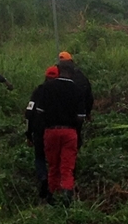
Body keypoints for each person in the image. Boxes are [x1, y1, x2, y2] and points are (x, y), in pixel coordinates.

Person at [30, 63, 88, 205]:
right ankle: (67, 194)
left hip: (51, 131)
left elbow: (39, 112)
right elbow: (81, 116)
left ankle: (52, 196)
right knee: (67, 166)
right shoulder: (77, 89)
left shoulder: (47, 88)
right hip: (69, 133)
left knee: (53, 165)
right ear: (72, 73)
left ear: (59, 71)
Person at [24, 66, 59, 202]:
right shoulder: (59, 93)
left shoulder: (38, 91)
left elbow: (29, 112)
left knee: (39, 157)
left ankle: (43, 177)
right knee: (53, 159)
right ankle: (53, 187)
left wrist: (28, 134)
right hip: (53, 130)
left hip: (38, 130)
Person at [57, 53, 94, 148]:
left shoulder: (54, 75)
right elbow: (88, 95)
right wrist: (87, 112)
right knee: (75, 137)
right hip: (77, 114)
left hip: (57, 117)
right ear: (71, 62)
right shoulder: (80, 76)